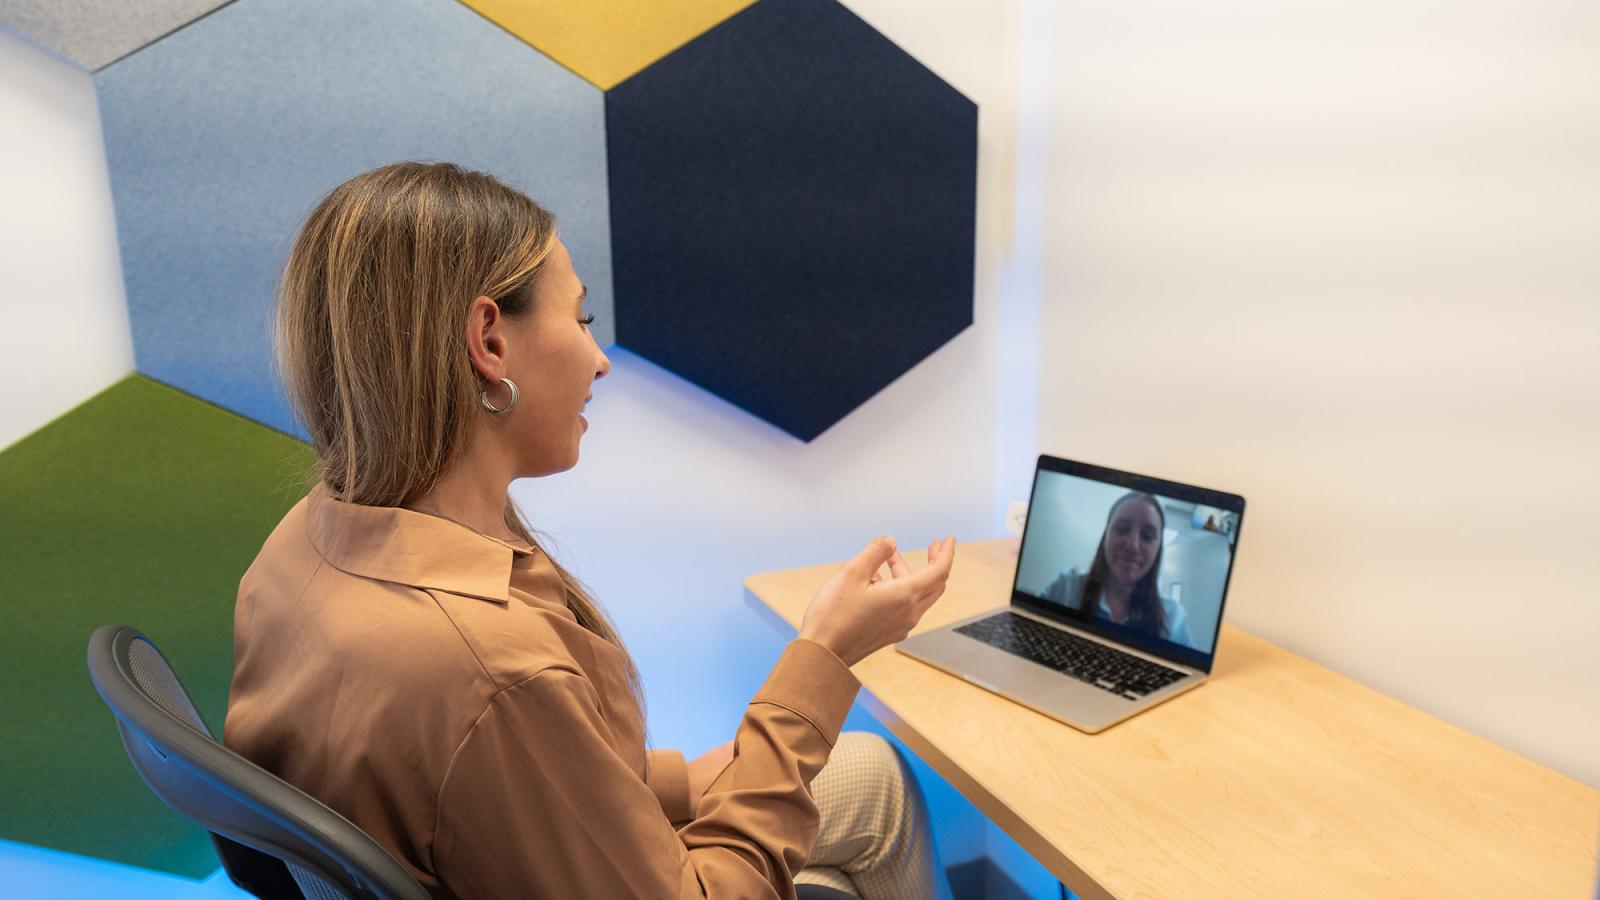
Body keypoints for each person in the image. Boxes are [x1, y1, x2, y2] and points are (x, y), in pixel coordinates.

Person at [223, 162, 958, 899]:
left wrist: (672, 781)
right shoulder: (494, 671)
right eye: (580, 319)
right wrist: (826, 654)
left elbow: (511, 783)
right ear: (489, 342)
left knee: (871, 776)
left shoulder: (306, 539)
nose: (599, 359)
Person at [1042, 491, 1194, 648]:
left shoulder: (1174, 618)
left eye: (1147, 536)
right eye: (1122, 529)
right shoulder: (1067, 586)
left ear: (1158, 550)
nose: (1132, 546)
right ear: (1105, 536)